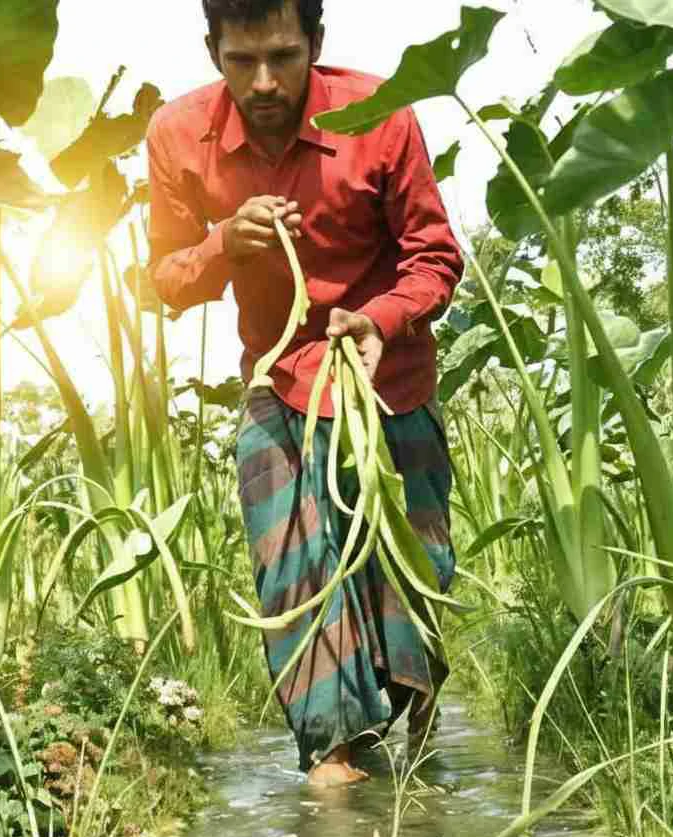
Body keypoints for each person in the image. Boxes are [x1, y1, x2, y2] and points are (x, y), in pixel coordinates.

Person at [147, 0, 463, 787]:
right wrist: (225, 243)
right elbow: (165, 278)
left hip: (386, 378)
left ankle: (419, 737)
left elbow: (435, 258)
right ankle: (333, 759)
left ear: (315, 45)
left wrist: (384, 318)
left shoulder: (379, 113)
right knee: (292, 565)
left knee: (409, 568)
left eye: (284, 57)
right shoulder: (180, 135)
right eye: (241, 59)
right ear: (212, 48)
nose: (264, 81)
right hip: (280, 381)